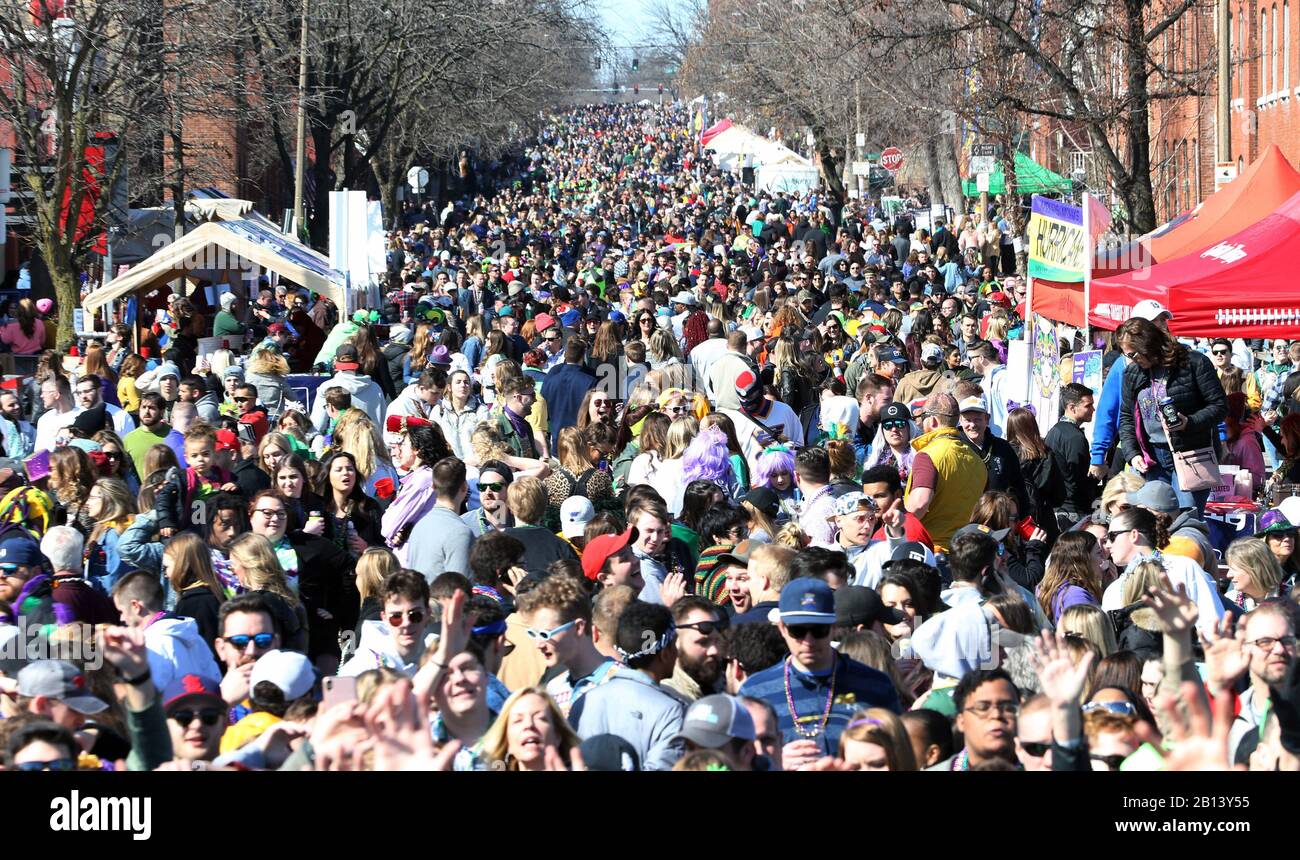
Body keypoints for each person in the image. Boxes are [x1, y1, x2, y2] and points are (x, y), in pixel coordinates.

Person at [739, 578, 901, 766]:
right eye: (798, 631)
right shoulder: (754, 692)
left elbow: (899, 755)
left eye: (818, 630)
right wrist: (774, 762)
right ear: (783, 628)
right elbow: (739, 761)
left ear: (833, 628)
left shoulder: (876, 685)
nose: (808, 640)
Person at [1117, 317, 1227, 514]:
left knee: (1186, 519)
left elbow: (1219, 406)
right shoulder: (1132, 373)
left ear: (1147, 345)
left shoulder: (1194, 363)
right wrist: (1132, 453)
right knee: (1156, 520)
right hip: (1151, 459)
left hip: (1191, 456)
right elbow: (1126, 416)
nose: (1131, 359)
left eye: (1133, 354)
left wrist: (1189, 422)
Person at [568, 600, 687, 771]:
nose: (677, 652)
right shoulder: (671, 710)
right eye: (674, 645)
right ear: (665, 653)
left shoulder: (585, 700)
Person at [1099, 506, 1224, 631]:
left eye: (1112, 536)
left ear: (1134, 534)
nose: (1108, 545)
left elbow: (1212, 622)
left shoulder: (1184, 568)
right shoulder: (1114, 589)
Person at [515, 573, 615, 718]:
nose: (539, 645)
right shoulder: (553, 689)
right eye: (534, 634)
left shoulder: (619, 684)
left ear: (578, 628)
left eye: (545, 634)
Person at [111, 570, 221, 694]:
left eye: (121, 611)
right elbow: (215, 678)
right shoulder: (193, 635)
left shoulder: (152, 645)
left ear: (136, 606)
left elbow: (149, 698)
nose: (121, 619)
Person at [905, 392, 987, 555]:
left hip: (932, 551)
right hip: (964, 551)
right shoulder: (977, 460)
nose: (920, 422)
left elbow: (919, 504)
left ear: (932, 420)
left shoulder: (928, 455)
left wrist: (896, 528)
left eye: (923, 416)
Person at [339, 569, 432, 676]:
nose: (406, 623)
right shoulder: (364, 666)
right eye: (396, 617)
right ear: (384, 618)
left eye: (415, 615)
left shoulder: (439, 653)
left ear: (428, 613)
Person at [401, 457, 476, 584]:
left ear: (433, 487)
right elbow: (459, 591)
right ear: (464, 487)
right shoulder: (460, 532)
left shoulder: (420, 525)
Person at [1044, 382, 1098, 531]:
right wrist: (1097, 476)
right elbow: (1077, 482)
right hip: (1073, 513)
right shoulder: (1075, 438)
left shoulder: (1055, 431)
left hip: (1059, 509)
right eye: (1088, 406)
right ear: (1072, 408)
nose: (1093, 409)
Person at [503, 476, 579, 575]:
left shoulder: (494, 544)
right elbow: (580, 585)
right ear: (544, 506)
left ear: (510, 506)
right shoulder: (561, 547)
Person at [310, 343, 385, 433]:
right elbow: (383, 421)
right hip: (371, 442)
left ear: (335, 362)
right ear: (358, 360)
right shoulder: (375, 387)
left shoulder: (326, 388)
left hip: (342, 442)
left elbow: (317, 425)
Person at [539, 336, 597, 451]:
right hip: (581, 439)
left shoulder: (552, 377)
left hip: (557, 437)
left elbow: (543, 403)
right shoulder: (590, 380)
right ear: (582, 356)